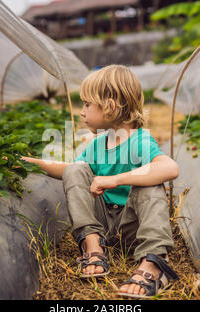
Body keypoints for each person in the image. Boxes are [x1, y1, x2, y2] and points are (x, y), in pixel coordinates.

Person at [21, 65, 180, 298]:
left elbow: (170, 167)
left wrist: (115, 179)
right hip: (104, 226)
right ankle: (93, 246)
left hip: (133, 228)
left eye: (87, 104)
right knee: (76, 169)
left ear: (110, 107)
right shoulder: (97, 145)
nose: (82, 112)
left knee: (151, 184)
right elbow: (70, 171)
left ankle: (154, 262)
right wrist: (31, 163)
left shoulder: (139, 141)